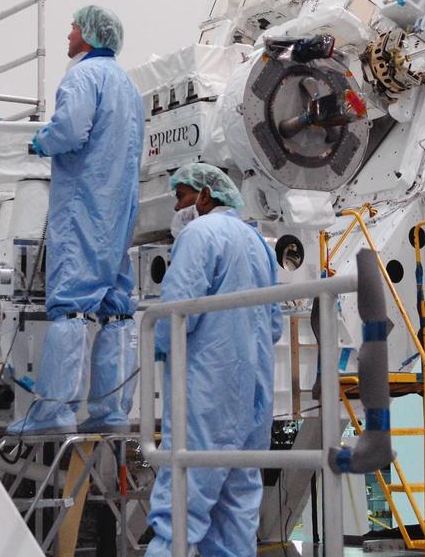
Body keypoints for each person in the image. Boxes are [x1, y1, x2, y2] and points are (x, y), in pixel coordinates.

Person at [7, 5, 146, 436]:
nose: (68, 34)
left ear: (87, 34)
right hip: (119, 210)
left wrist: (38, 143)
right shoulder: (127, 85)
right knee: (116, 309)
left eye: (72, 27)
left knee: (71, 306)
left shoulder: (83, 76)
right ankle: (111, 411)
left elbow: (69, 131)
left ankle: (54, 412)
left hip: (85, 205)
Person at [145, 164, 281, 557]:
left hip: (207, 395)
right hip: (253, 396)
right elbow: (272, 325)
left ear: (206, 195)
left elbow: (176, 312)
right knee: (237, 513)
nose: (178, 204)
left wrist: (152, 346)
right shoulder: (257, 242)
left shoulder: (199, 233)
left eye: (182, 195)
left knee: (181, 510)